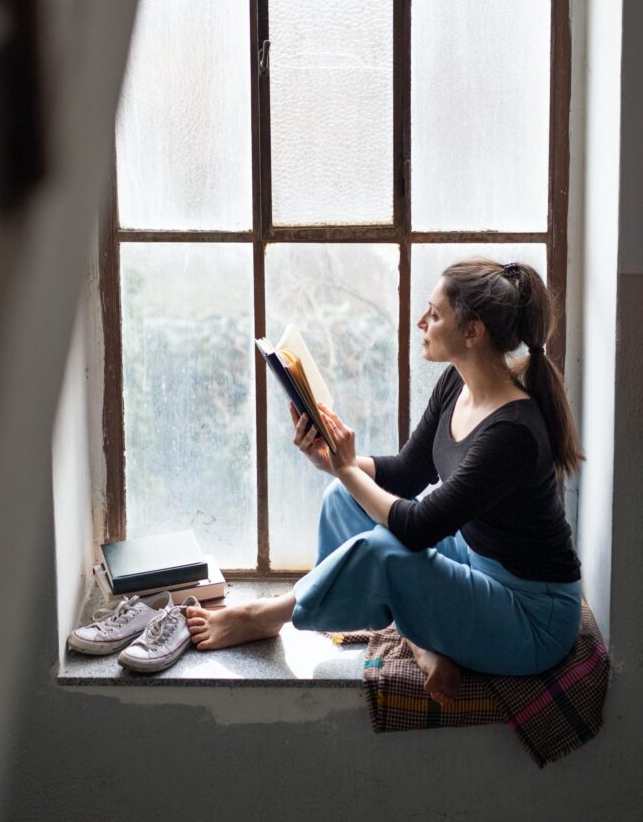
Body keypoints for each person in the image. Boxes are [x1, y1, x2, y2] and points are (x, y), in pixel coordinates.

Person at [186, 258, 583, 704]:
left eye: (434, 314)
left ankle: (267, 616)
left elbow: (418, 527)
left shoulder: (513, 432)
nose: (421, 322)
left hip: (531, 617)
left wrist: (350, 469)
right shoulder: (458, 382)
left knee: (385, 549)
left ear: (473, 332)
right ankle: (421, 641)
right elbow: (409, 473)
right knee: (342, 498)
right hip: (477, 561)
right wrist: (335, 462)